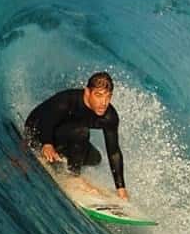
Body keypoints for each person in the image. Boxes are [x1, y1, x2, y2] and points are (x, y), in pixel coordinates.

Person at [24, 71, 128, 200]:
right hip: (39, 131)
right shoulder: (66, 100)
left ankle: (61, 161)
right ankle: (73, 178)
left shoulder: (109, 117)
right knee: (81, 132)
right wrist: (47, 143)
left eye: (108, 97)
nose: (104, 102)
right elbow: (43, 119)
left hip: (67, 137)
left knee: (95, 158)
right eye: (98, 95)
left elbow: (114, 152)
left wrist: (121, 188)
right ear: (87, 92)